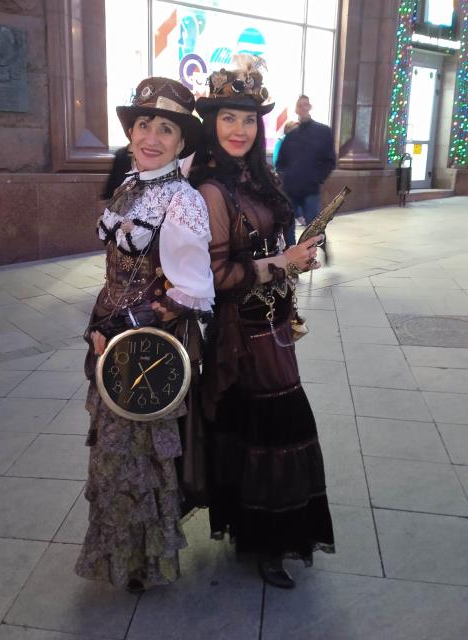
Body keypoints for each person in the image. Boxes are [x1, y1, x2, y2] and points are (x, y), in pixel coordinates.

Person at [189, 57, 335, 590]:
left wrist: (294, 260)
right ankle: (267, 542)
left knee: (260, 429)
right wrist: (281, 262)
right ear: (212, 124)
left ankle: (261, 535)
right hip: (241, 335)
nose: (239, 129)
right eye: (228, 118)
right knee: (273, 430)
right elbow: (215, 276)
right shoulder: (212, 191)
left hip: (271, 325)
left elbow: (268, 248)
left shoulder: (258, 177)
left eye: (248, 119)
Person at [75, 77, 214, 594]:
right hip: (110, 335)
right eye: (143, 124)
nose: (151, 137)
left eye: (166, 129)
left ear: (181, 142)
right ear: (131, 132)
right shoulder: (130, 186)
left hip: (145, 348)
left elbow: (193, 290)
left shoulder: (182, 200)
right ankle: (119, 554)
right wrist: (100, 328)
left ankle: (141, 562)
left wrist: (131, 326)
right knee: (112, 451)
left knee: (136, 454)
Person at [275, 95, 336, 259]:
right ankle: (292, 253)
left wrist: (317, 178)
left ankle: (323, 248)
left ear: (309, 107)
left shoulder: (323, 132)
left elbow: (330, 160)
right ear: (296, 110)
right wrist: (285, 177)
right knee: (288, 223)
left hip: (310, 187)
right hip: (291, 188)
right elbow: (280, 162)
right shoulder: (291, 137)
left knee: (314, 223)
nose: (303, 108)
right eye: (299, 105)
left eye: (305, 104)